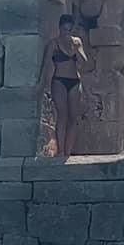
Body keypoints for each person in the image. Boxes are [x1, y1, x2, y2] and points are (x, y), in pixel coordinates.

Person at [43, 14, 88, 157]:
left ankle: (68, 151)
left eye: (69, 30)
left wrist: (76, 50)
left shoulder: (76, 42)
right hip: (59, 81)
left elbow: (85, 63)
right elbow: (46, 65)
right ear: (59, 28)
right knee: (62, 115)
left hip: (75, 81)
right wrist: (40, 85)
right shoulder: (53, 44)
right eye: (64, 29)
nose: (66, 32)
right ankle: (61, 151)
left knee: (73, 117)